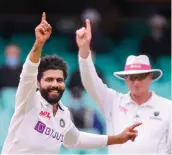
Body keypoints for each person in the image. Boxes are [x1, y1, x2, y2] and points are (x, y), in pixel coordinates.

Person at [1, 13, 141, 154]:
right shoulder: (28, 100)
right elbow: (28, 72)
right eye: (49, 80)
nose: (55, 84)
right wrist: (39, 43)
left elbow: (77, 139)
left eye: (59, 80)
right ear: (37, 83)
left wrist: (117, 139)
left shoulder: (63, 114)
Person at [77, 19, 172, 154]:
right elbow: (90, 82)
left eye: (141, 77)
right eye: (132, 77)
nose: (136, 82)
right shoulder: (113, 102)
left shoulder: (168, 108)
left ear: (150, 77)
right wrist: (84, 50)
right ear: (125, 79)